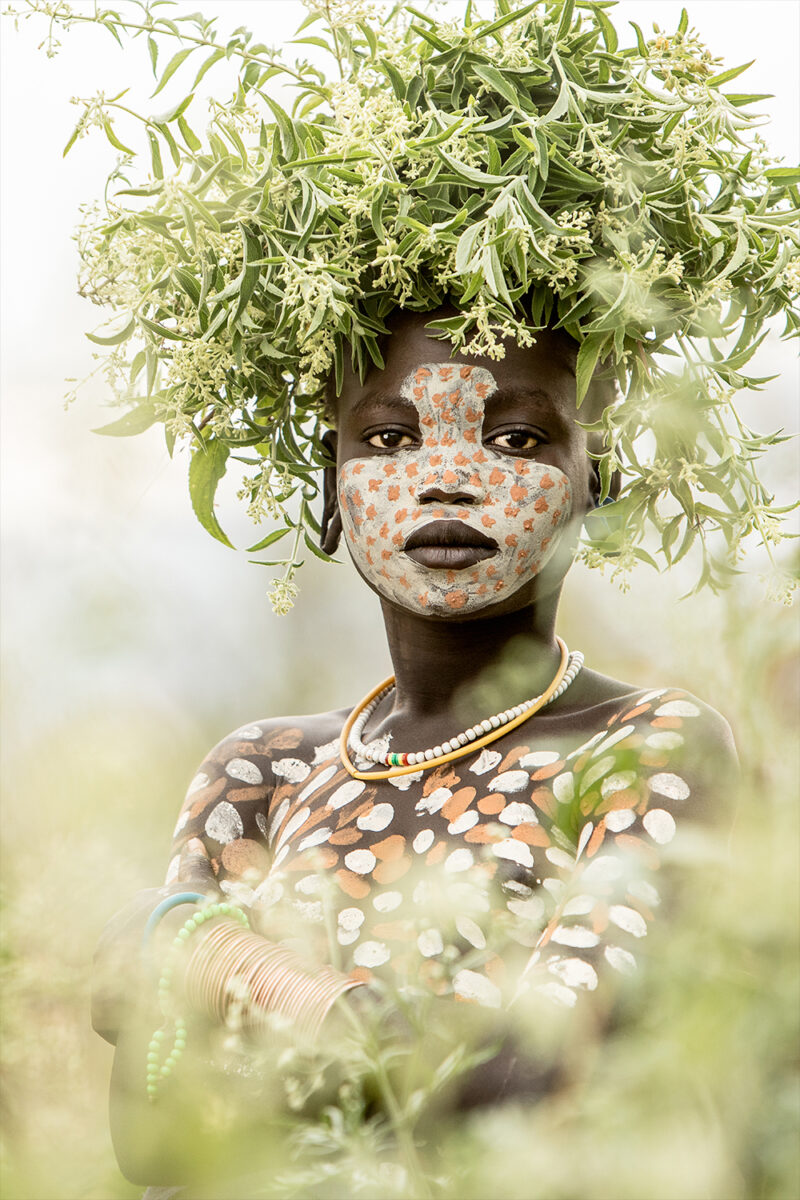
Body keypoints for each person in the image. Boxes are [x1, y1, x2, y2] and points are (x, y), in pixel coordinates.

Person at [92, 307, 737, 1196]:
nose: (446, 480)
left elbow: (546, 1072)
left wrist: (222, 970)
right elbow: (157, 1137)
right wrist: (400, 1052)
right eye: (391, 437)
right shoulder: (265, 771)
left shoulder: (645, 746)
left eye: (515, 438)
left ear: (600, 481)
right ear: (329, 490)